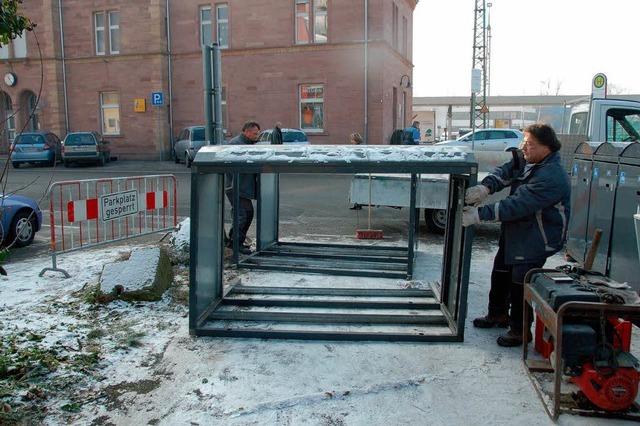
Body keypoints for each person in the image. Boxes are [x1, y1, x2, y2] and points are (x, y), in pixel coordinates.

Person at [462, 123, 570, 347]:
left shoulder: (551, 176)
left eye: (530, 144)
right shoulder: (529, 160)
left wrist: (479, 214)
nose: (524, 148)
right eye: (524, 142)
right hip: (518, 230)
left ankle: (520, 331)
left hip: (537, 236)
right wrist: (486, 188)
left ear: (546, 148)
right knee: (501, 268)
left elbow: (518, 205)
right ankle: (497, 314)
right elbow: (506, 171)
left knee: (521, 281)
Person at [225, 121, 261, 255]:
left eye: (258, 133)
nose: (257, 136)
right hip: (235, 187)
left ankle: (235, 242)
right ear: (246, 131)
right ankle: (235, 244)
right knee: (242, 215)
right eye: (255, 133)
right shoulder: (237, 144)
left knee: (247, 214)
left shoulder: (247, 143)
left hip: (241, 187)